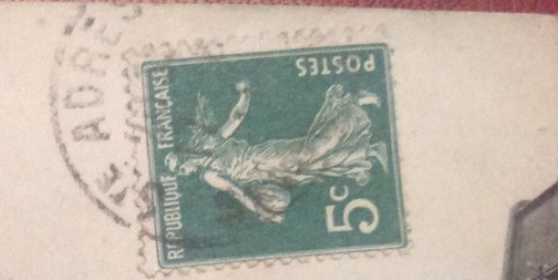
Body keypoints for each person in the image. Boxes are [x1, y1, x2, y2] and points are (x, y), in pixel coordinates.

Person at [165, 81, 390, 224]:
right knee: (313, 165)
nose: (183, 173)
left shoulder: (210, 159)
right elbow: (240, 191)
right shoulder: (208, 172)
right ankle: (370, 151)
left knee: (311, 150)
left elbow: (235, 119)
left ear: (186, 157)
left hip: (262, 157)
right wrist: (267, 210)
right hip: (264, 177)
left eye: (180, 167)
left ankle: (353, 102)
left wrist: (245, 94)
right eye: (180, 173)